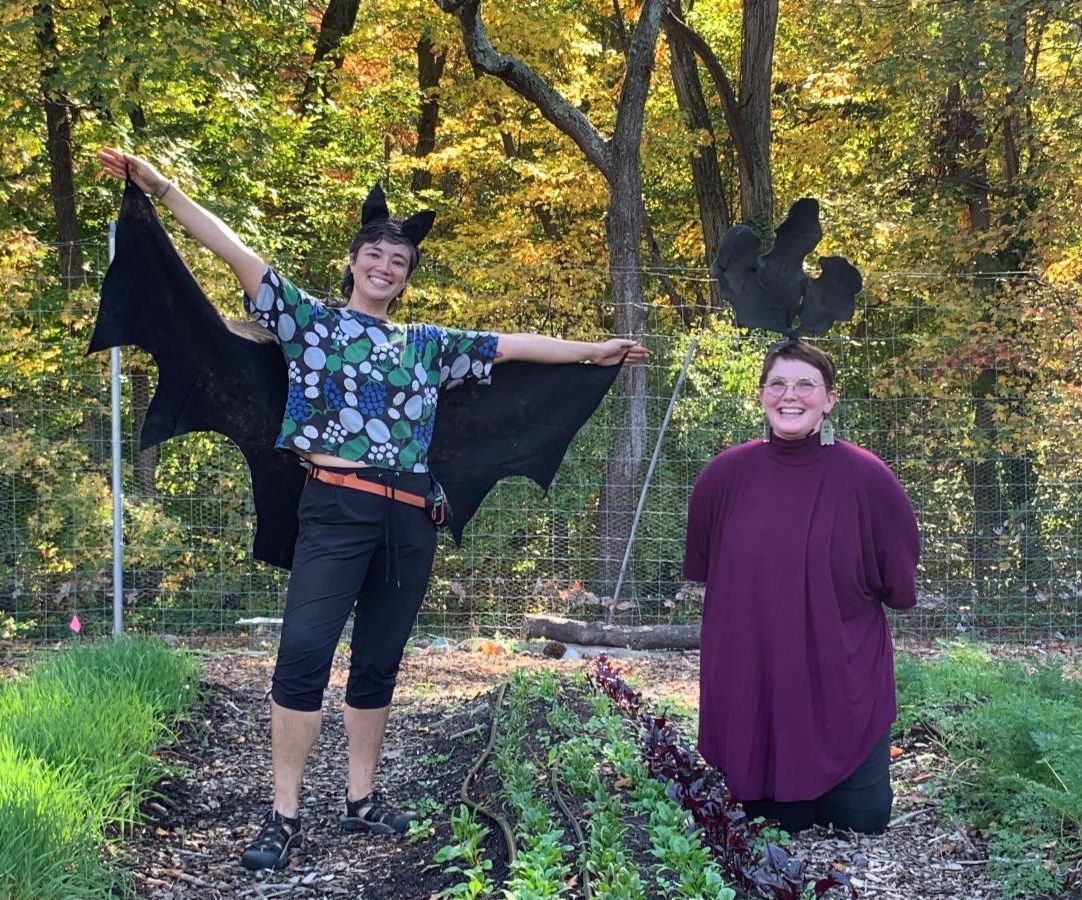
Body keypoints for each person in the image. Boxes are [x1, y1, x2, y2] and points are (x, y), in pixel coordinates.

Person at [97, 146, 648, 870]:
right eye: (376, 256)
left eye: (400, 262)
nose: (387, 268)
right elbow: (232, 251)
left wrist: (591, 351)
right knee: (302, 657)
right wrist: (163, 186)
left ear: (406, 278)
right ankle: (283, 815)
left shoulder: (428, 345)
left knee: (379, 661)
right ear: (354, 262)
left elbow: (512, 346)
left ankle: (361, 801)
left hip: (411, 519)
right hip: (334, 509)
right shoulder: (307, 322)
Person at [683, 340, 919, 835]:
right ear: (761, 395)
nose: (790, 396)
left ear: (829, 399)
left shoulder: (868, 478)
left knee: (863, 822)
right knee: (769, 822)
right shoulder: (723, 477)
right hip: (756, 675)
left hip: (841, 677)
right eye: (778, 384)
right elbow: (709, 569)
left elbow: (899, 579)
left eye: (805, 384)